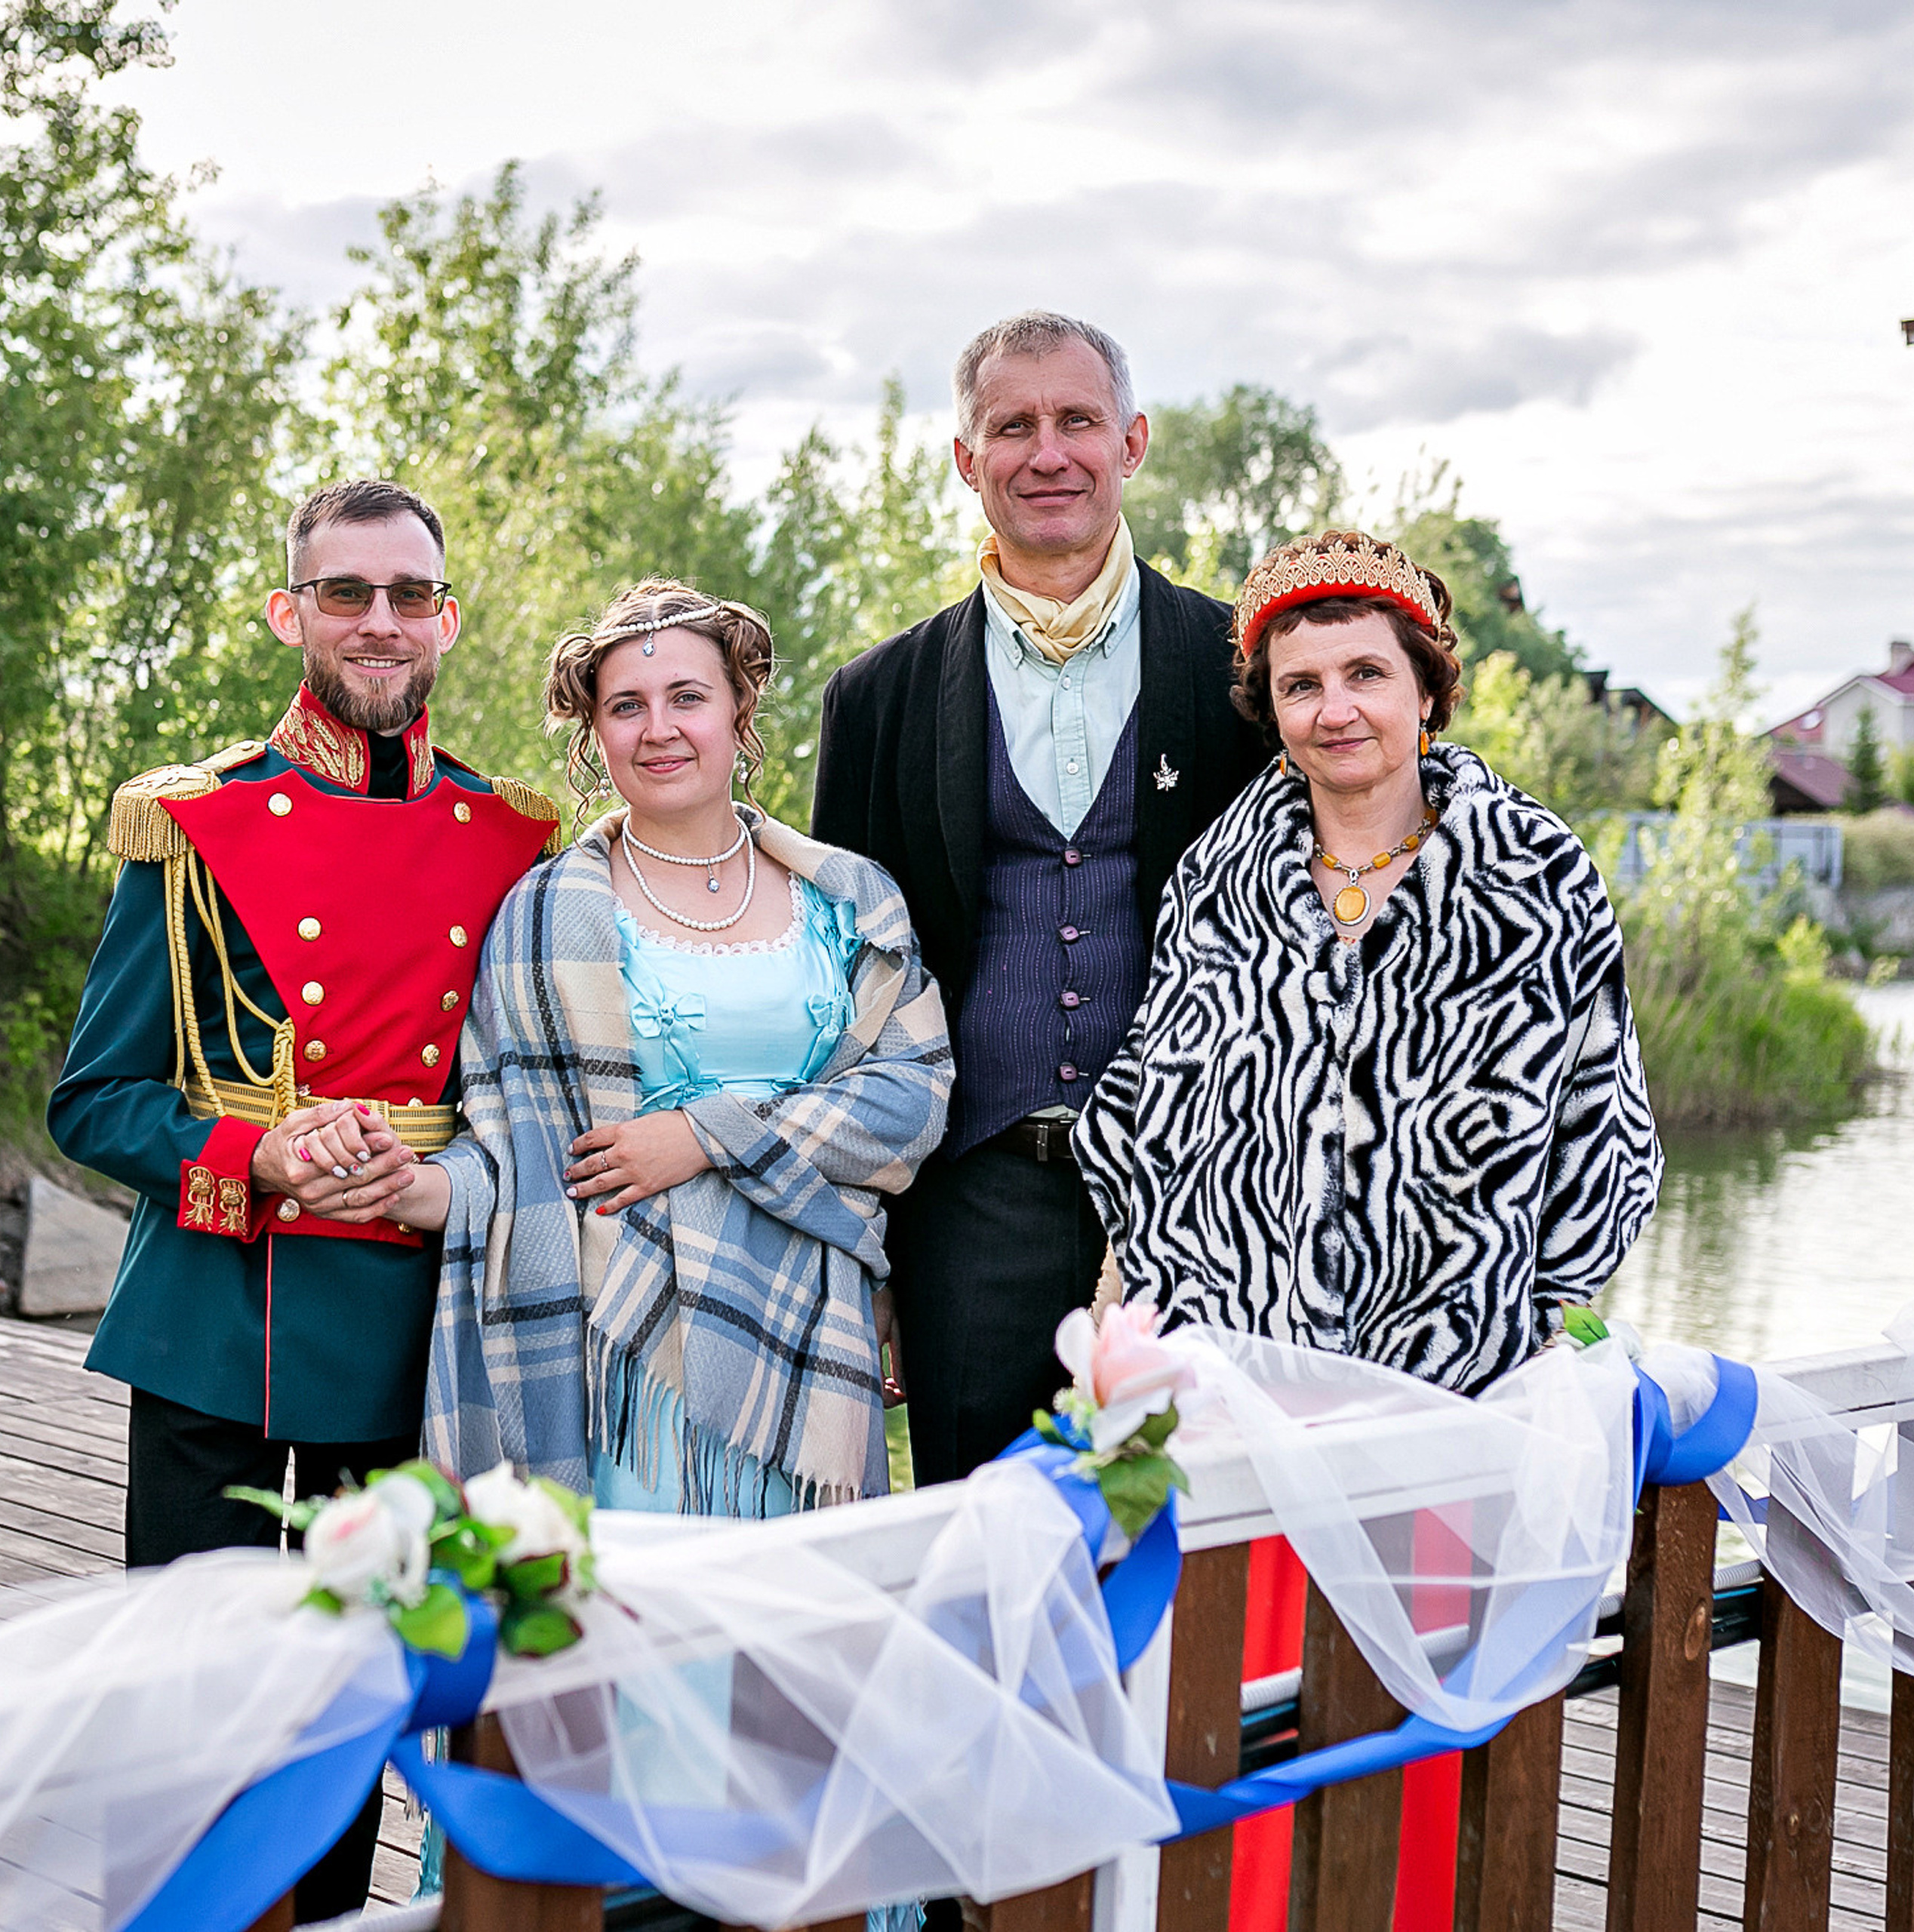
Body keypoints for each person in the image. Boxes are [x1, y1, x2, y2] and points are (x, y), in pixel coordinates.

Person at [48, 478, 560, 1919]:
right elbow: (93, 1099)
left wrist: (444, 1176)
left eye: (409, 595)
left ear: (446, 619)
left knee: (352, 1728)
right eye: (348, 593)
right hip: (228, 1335)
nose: (380, 622)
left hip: (421, 1349)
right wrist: (255, 1157)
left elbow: (531, 1098)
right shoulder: (192, 826)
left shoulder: (509, 836)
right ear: (293, 611)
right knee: (200, 1735)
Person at [358, 579, 952, 1512]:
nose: (659, 728)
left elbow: (912, 1099)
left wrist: (699, 1136)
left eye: (688, 697)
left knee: (785, 1631)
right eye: (625, 707)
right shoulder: (544, 914)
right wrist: (412, 1186)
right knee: (638, 1634)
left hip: (814, 1322)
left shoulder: (849, 899)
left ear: (739, 708)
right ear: (595, 733)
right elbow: (515, 1151)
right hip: (618, 1342)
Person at [811, 309, 1264, 1484]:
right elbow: (839, 998)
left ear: (1134, 443)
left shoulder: (1244, 676)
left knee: (1198, 1533)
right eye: (1012, 427)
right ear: (967, 461)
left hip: (1201, 1193)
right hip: (969, 1207)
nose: (1047, 452)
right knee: (977, 1543)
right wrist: (868, 1260)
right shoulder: (878, 701)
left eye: (1077, 420)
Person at [1073, 529, 1663, 1390]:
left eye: (1366, 674)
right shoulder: (1214, 881)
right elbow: (1144, 1120)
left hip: (1464, 1384)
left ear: (1425, 690)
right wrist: (1136, 1327)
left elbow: (1605, 1133)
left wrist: (1554, 1328)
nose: (1334, 709)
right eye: (1301, 685)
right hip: (1240, 1383)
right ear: (1273, 711)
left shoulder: (1535, 874)